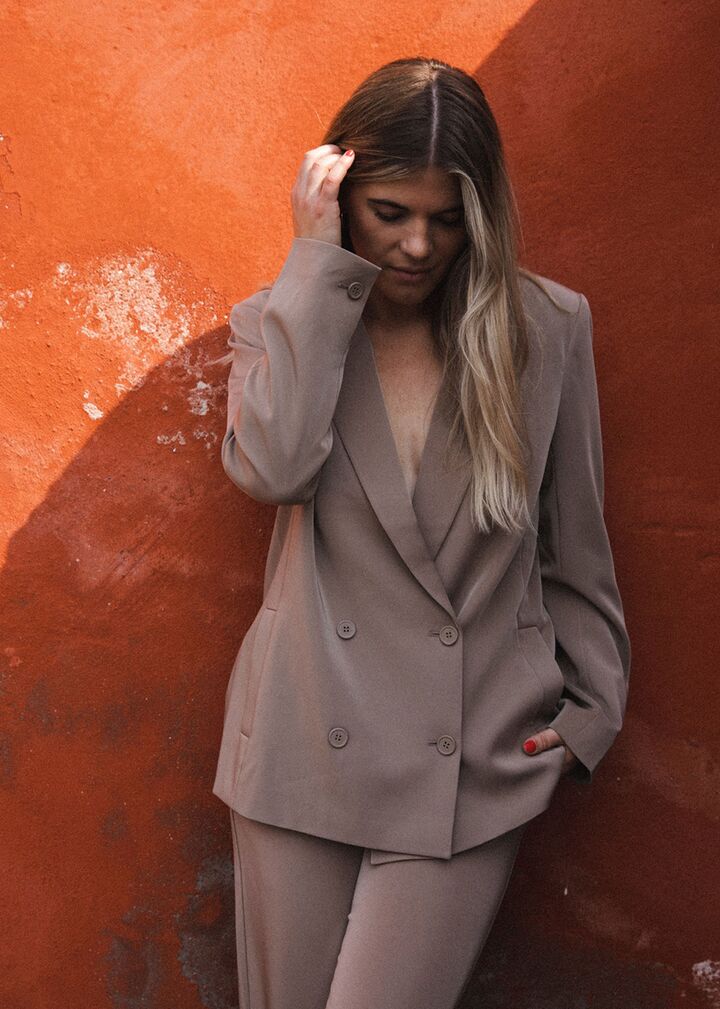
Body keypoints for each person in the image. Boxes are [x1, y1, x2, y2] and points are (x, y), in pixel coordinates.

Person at [212, 56, 631, 1009]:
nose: (416, 245)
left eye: (446, 219)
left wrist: (591, 712)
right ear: (338, 195)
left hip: (472, 755)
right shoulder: (279, 323)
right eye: (389, 212)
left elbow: (575, 540)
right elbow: (273, 470)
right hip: (304, 743)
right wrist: (316, 268)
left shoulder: (545, 327)